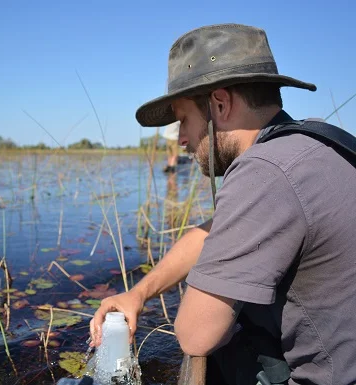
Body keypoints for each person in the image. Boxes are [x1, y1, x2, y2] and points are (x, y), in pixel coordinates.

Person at [90, 23, 356, 385]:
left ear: (220, 103)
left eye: (184, 119)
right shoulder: (317, 141)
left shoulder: (263, 171)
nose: (181, 138)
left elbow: (194, 334)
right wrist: (139, 293)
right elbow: (211, 233)